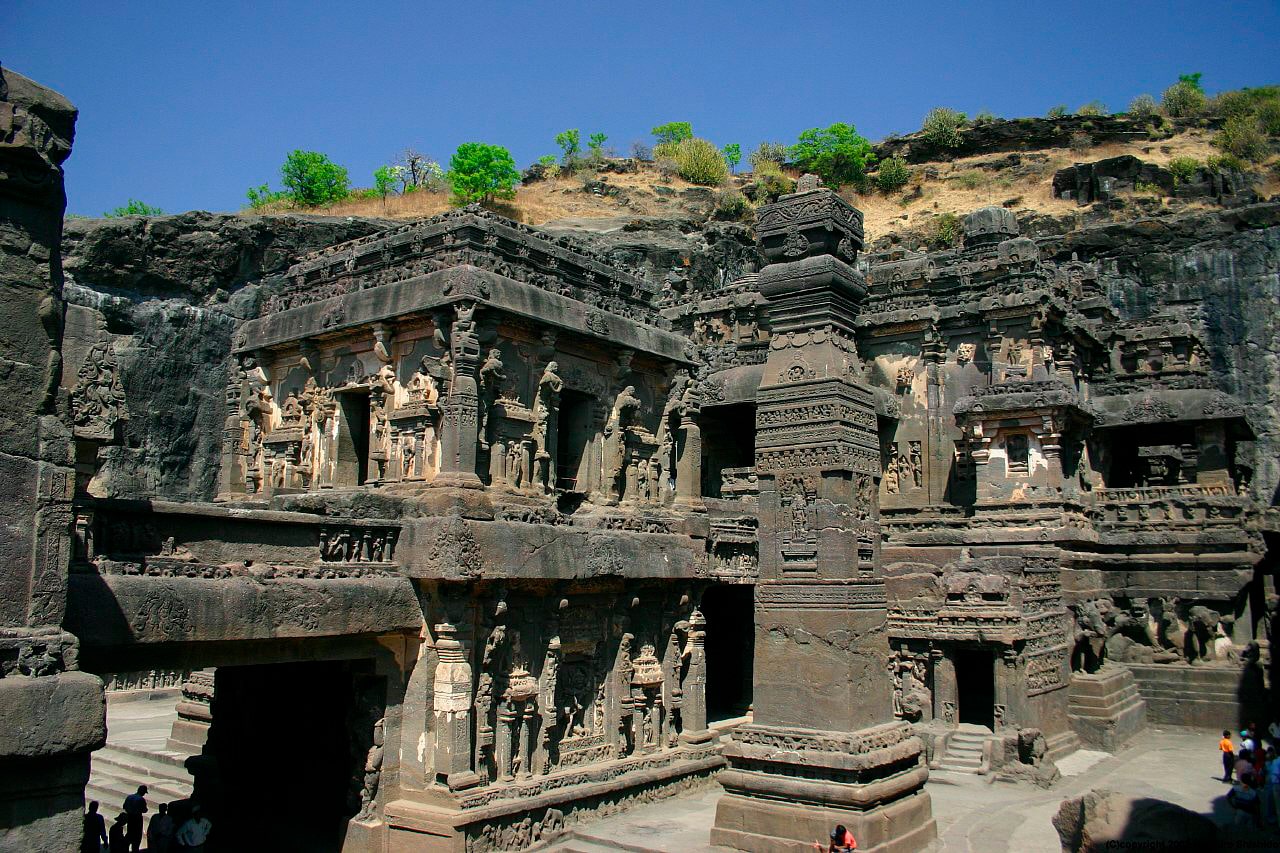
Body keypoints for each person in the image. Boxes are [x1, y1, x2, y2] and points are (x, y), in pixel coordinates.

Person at [121, 784, 148, 853]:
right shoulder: (141, 799)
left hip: (130, 817)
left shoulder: (129, 797)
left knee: (130, 833)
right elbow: (144, 810)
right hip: (137, 818)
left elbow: (124, 806)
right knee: (137, 837)